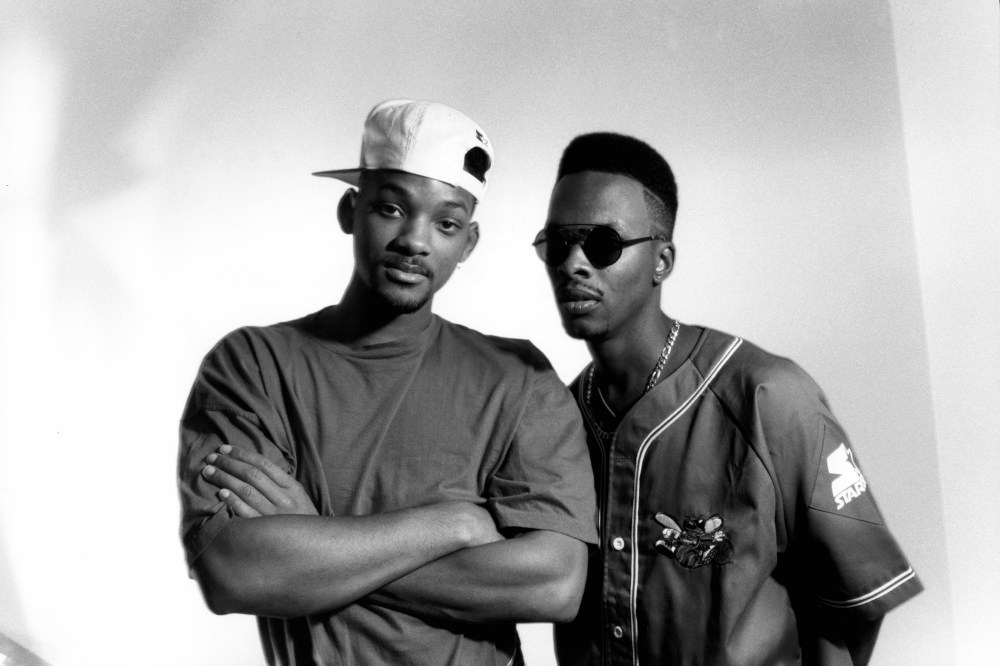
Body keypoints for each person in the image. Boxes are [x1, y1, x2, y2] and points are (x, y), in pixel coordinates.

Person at [176, 99, 598, 666]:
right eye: (392, 209)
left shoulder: (518, 379)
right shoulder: (253, 365)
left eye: (446, 223)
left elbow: (554, 585)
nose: (415, 241)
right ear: (351, 210)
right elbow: (236, 571)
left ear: (468, 243)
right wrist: (453, 524)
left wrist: (315, 539)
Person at [535, 133, 922, 665]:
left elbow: (854, 599)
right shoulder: (554, 420)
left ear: (662, 260)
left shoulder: (768, 397)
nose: (573, 263)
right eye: (558, 244)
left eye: (603, 244)